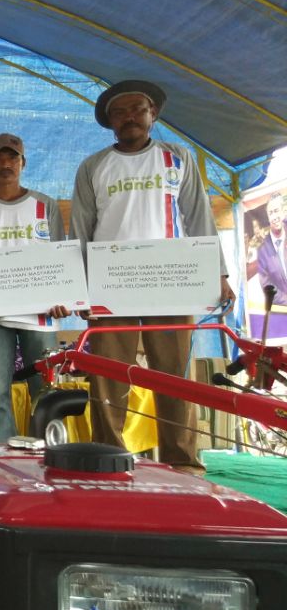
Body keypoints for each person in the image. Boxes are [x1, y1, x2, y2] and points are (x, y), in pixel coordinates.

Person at [72, 79, 233, 474]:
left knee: (175, 376)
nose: (129, 117)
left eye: (137, 110)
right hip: (112, 287)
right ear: (109, 121)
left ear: (153, 114)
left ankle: (182, 460)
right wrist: (78, 291)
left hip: (171, 284)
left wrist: (220, 274)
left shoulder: (178, 158)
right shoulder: (93, 166)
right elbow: (80, 229)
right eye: (119, 112)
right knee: (108, 378)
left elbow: (199, 219)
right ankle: (108, 458)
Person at [0, 133, 69, 442]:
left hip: (40, 315)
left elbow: (60, 254)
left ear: (23, 163)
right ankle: (3, 462)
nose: (5, 164)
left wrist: (64, 297)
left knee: (45, 389)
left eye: (12, 158)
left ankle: (51, 453)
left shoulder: (45, 206)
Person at [255, 193, 287, 297]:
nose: (274, 217)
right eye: (271, 213)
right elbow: (267, 286)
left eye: (276, 211)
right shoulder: (262, 251)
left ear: (283, 212)